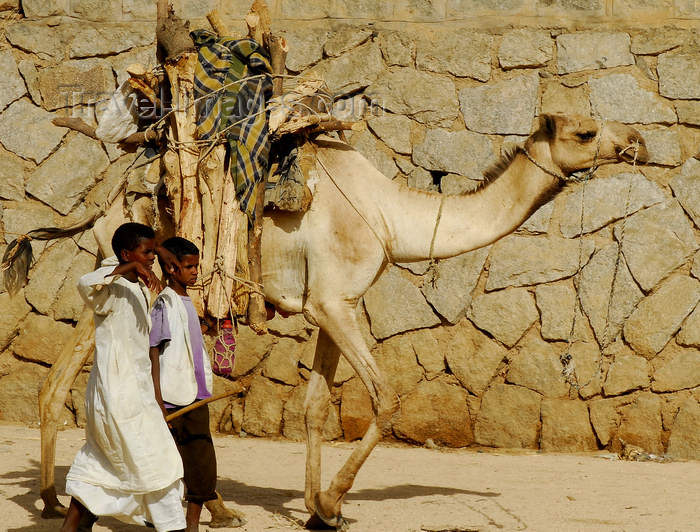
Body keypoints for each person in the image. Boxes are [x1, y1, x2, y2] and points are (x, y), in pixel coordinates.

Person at [60, 223, 186, 532]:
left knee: (101, 466)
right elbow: (84, 283)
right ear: (126, 255)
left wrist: (154, 254)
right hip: (119, 396)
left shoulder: (139, 286)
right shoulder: (110, 288)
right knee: (160, 463)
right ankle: (175, 526)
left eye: (153, 253)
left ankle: (73, 526)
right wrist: (130, 265)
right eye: (146, 253)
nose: (152, 259)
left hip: (133, 394)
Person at [149, 236, 218, 532]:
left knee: (201, 466)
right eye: (189, 266)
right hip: (174, 399)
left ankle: (192, 525)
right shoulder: (164, 303)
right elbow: (153, 351)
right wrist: (157, 400)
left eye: (196, 266)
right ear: (172, 268)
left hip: (196, 397)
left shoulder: (186, 302)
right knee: (168, 467)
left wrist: (205, 327)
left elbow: (184, 340)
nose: (195, 272)